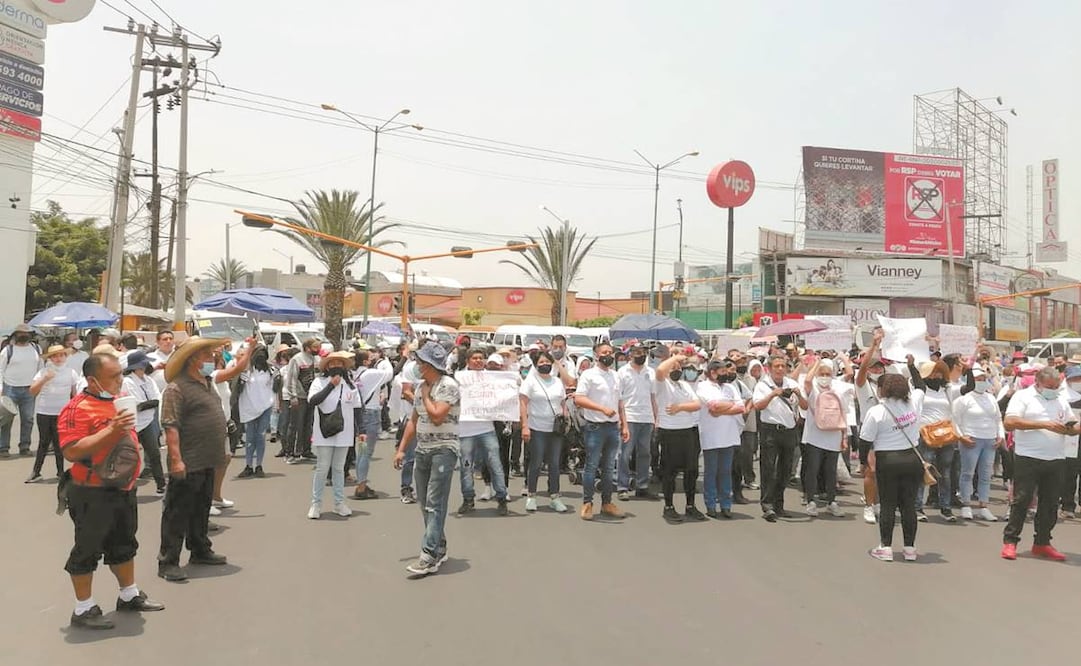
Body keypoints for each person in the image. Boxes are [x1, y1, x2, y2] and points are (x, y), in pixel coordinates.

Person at [58, 353, 164, 629]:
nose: (120, 380)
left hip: (122, 488)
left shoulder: (117, 401)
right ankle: (83, 609)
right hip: (91, 491)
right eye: (114, 376)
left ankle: (128, 594)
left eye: (121, 374)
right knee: (88, 548)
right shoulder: (76, 408)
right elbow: (71, 451)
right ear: (93, 381)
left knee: (124, 542)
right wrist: (113, 430)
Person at [157, 338, 231, 582]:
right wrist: (176, 460)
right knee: (177, 512)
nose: (211, 358)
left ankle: (200, 549)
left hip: (208, 457)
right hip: (188, 459)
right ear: (193, 359)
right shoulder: (176, 389)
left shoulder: (206, 383)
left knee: (201, 508)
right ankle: (168, 561)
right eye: (206, 354)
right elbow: (171, 426)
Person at [393, 342, 460, 577]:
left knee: (435, 502)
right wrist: (402, 449)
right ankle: (439, 547)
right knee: (425, 502)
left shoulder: (448, 386)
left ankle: (428, 555)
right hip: (422, 449)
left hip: (444, 449)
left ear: (431, 365)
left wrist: (423, 395)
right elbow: (414, 420)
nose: (418, 365)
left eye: (421, 362)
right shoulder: (423, 385)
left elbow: (438, 416)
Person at [1001, 366, 1078, 561]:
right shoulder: (1023, 397)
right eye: (1050, 386)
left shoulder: (1060, 399)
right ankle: (1010, 541)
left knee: (1050, 503)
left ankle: (1042, 542)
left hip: (1056, 458)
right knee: (1022, 500)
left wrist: (1072, 428)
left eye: (1056, 386)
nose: (1054, 390)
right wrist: (1043, 424)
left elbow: (1071, 424)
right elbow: (1009, 423)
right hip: (1028, 457)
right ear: (1038, 383)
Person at [859, 374, 925, 562]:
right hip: (912, 459)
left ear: (883, 390)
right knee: (908, 505)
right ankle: (910, 549)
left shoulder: (877, 412)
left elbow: (864, 441)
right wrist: (912, 365)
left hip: (888, 460)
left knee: (888, 504)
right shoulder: (913, 403)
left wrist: (863, 463)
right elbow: (921, 386)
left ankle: (885, 547)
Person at [572, 342, 627, 521]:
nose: (608, 355)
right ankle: (587, 503)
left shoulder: (616, 375)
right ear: (596, 355)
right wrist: (601, 409)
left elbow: (620, 403)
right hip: (594, 427)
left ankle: (607, 503)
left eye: (610, 352)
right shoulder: (589, 375)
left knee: (609, 467)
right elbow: (579, 399)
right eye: (604, 352)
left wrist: (624, 425)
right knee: (591, 466)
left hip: (613, 427)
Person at [752, 356, 808, 522]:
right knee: (769, 469)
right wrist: (773, 394)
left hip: (789, 431)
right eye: (776, 366)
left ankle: (779, 504)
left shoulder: (792, 384)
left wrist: (799, 394)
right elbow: (758, 406)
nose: (780, 369)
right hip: (770, 430)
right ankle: (767, 505)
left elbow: (805, 407)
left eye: (783, 366)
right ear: (769, 368)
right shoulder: (763, 385)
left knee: (785, 470)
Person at [455, 348, 509, 515]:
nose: (478, 361)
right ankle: (468, 498)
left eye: (481, 358)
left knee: (495, 464)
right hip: (465, 429)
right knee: (466, 466)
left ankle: (501, 498)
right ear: (468, 361)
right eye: (474, 358)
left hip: (486, 428)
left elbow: (506, 392)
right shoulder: (459, 378)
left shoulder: (492, 378)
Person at [308, 351, 362, 519]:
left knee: (339, 468)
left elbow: (358, 408)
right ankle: (316, 504)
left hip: (344, 433)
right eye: (332, 364)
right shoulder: (319, 381)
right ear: (327, 367)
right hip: (324, 432)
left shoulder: (350, 385)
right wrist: (331, 385)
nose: (336, 367)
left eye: (340, 364)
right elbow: (313, 400)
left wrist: (362, 431)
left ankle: (339, 503)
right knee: (323, 468)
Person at [653, 350, 704, 522]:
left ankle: (690, 505)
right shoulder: (661, 384)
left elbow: (697, 404)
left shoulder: (685, 385)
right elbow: (660, 371)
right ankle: (668, 506)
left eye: (679, 367)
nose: (677, 369)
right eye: (673, 366)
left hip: (688, 430)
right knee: (670, 471)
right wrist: (673, 357)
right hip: (670, 431)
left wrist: (680, 407)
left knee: (691, 470)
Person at [801, 358, 853, 518]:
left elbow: (843, 415)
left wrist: (844, 437)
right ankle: (811, 501)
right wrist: (817, 362)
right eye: (822, 374)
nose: (825, 377)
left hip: (833, 436)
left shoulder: (838, 391)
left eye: (828, 374)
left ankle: (831, 502)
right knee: (813, 469)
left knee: (831, 471)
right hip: (814, 437)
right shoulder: (813, 390)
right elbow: (807, 380)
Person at [519, 350, 569, 513]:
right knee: (536, 462)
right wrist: (525, 426)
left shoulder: (557, 382)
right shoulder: (530, 382)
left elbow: (562, 403)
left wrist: (565, 419)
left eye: (547, 362)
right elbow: (523, 404)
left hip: (555, 429)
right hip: (537, 428)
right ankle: (532, 496)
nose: (545, 365)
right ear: (535, 365)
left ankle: (554, 496)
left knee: (554, 464)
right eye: (541, 363)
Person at [952, 367, 1004, 521]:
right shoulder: (963, 399)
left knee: (986, 474)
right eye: (978, 379)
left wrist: (1000, 435)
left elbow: (998, 419)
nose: (982, 381)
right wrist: (961, 437)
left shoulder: (991, 398)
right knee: (968, 473)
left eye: (983, 378)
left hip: (989, 440)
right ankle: (966, 504)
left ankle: (983, 506)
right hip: (972, 439)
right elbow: (955, 420)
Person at [909, 360, 958, 522]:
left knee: (945, 472)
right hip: (926, 434)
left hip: (945, 435)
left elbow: (969, 387)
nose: (936, 375)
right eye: (933, 372)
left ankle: (946, 508)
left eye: (939, 372)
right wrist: (911, 365)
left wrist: (969, 367)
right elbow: (916, 380)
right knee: (924, 470)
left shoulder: (947, 390)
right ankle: (917, 507)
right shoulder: (921, 390)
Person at [697, 360, 746, 519]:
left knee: (725, 472)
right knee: (711, 472)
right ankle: (710, 504)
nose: (727, 374)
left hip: (729, 436)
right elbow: (713, 407)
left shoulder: (730, 387)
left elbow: (741, 407)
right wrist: (727, 406)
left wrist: (722, 408)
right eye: (723, 371)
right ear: (713, 372)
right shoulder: (703, 386)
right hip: (711, 436)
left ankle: (726, 504)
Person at [26, 345, 78, 483]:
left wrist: (74, 410)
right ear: (50, 358)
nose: (58, 358)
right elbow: (32, 391)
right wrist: (44, 379)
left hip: (62, 413)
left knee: (59, 444)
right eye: (55, 356)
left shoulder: (71, 372)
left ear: (66, 356)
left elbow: (75, 394)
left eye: (61, 355)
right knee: (43, 442)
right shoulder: (43, 372)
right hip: (44, 411)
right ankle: (36, 472)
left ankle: (60, 472)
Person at [120, 350, 166, 494]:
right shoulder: (128, 382)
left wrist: (149, 403)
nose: (147, 365)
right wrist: (149, 403)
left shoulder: (148, 379)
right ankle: (127, 485)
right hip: (132, 423)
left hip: (147, 422)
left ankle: (161, 484)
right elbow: (138, 404)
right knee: (130, 456)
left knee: (154, 453)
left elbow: (157, 399)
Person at [352, 348, 394, 500]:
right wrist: (386, 359)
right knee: (366, 452)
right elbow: (390, 373)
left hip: (363, 415)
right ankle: (361, 486)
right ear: (365, 361)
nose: (373, 358)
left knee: (362, 450)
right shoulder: (370, 373)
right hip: (370, 415)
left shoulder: (357, 374)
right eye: (371, 357)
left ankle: (361, 483)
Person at [617, 343, 657, 500]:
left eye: (643, 352)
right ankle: (622, 486)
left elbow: (653, 397)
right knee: (625, 454)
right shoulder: (622, 372)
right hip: (630, 417)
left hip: (646, 418)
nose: (641, 355)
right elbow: (619, 399)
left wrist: (656, 418)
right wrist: (622, 421)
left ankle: (642, 485)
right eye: (638, 352)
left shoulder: (650, 372)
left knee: (645, 453)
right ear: (630, 355)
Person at [854, 332, 886, 524]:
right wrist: (873, 346)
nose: (876, 369)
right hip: (869, 433)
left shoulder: (888, 385)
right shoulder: (862, 384)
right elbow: (863, 368)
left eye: (879, 366)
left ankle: (877, 502)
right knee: (871, 470)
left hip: (887, 433)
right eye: (873, 367)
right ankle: (868, 506)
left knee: (883, 472)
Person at [0, 323, 42, 456]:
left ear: (30, 335)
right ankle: (3, 448)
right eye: (20, 333)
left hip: (29, 388)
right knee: (7, 419)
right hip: (10, 387)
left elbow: (41, 368)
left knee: (28, 418)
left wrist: (38, 384)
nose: (23, 335)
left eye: (26, 333)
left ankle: (25, 446)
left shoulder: (36, 348)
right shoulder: (8, 350)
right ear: (15, 335)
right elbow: (0, 370)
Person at [237, 344, 276, 479]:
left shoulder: (271, 370)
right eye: (258, 353)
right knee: (250, 437)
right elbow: (237, 388)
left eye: (263, 353)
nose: (261, 356)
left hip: (265, 407)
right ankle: (248, 465)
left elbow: (274, 388)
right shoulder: (247, 370)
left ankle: (259, 465)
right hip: (249, 407)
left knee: (261, 436)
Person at [283, 336, 322, 463]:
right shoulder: (297, 359)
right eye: (315, 347)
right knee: (295, 425)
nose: (318, 349)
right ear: (307, 348)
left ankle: (306, 450)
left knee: (308, 424)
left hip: (312, 397)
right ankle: (290, 452)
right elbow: (291, 379)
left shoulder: (317, 359)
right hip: (299, 397)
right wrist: (292, 396)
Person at [146, 329, 176, 395]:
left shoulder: (179, 356)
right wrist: (155, 368)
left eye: (171, 339)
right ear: (158, 342)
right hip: (156, 394)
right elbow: (142, 374)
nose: (168, 341)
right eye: (165, 339)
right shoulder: (149, 357)